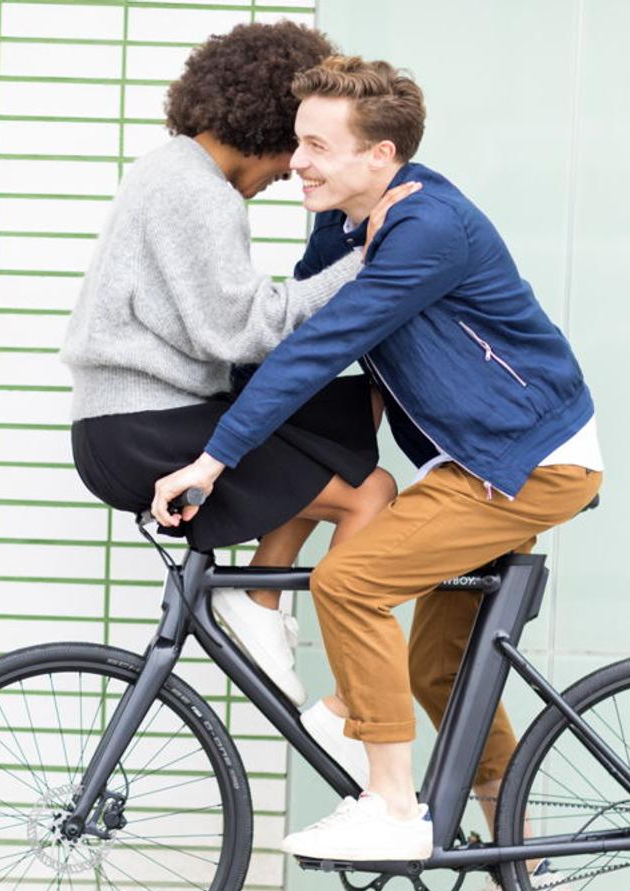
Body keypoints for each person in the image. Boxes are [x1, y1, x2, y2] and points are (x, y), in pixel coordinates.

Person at [149, 54, 604, 891]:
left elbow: (326, 346)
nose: (299, 161)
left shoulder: (428, 226)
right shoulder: (348, 226)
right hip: (472, 463)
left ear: (381, 154)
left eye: (318, 146)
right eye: (299, 143)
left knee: (349, 580)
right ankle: (536, 879)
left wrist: (214, 456)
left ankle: (392, 805)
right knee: (439, 670)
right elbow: (281, 336)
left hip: (524, 464)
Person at [60, 22, 413, 724]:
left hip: (134, 417)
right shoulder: (198, 190)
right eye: (298, 148)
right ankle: (351, 708)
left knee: (342, 413)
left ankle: (257, 597)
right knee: (371, 492)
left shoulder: (174, 172)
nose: (293, 171)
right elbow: (240, 327)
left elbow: (227, 332)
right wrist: (375, 258)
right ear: (269, 125)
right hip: (143, 428)